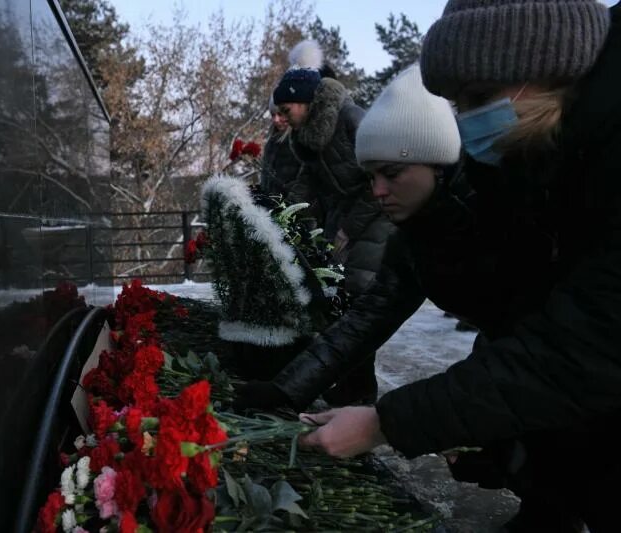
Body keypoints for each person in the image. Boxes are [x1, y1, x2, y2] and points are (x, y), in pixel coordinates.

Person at [301, 1, 620, 530]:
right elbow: (519, 321)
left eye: (476, 98)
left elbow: (583, 346)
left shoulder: (550, 169)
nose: (467, 121)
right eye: (457, 104)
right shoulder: (530, 157)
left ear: (542, 63)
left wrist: (392, 422)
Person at [234, 42, 424, 410]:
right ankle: (353, 386)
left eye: (286, 110)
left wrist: (348, 230)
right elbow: (309, 180)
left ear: (304, 102)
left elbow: (380, 185)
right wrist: (280, 212)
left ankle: (360, 390)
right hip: (346, 221)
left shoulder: (352, 120)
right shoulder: (310, 136)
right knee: (343, 304)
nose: (282, 118)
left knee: (356, 300)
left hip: (375, 220)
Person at [259, 95, 302, 197]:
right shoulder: (271, 144)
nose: (276, 120)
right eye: (273, 115)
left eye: (280, 114)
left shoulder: (300, 143)